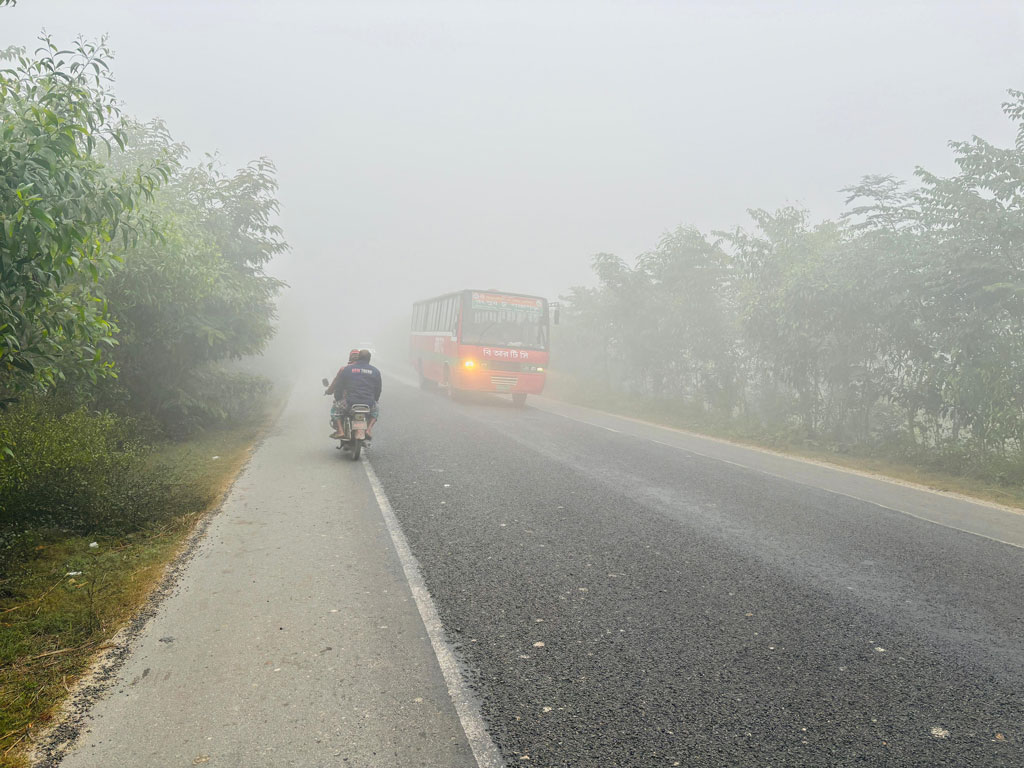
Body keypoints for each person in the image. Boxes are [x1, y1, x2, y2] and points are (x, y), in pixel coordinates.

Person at [327, 349, 382, 439]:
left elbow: (339, 386)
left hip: (350, 402)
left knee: (335, 410)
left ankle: (340, 431)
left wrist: (338, 398)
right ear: (369, 359)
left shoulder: (347, 369)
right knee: (375, 412)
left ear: (358, 357)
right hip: (369, 403)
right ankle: (368, 429)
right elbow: (378, 389)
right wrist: (374, 400)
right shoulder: (375, 371)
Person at [325, 349, 361, 438]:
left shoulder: (344, 369)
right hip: (365, 399)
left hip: (347, 399)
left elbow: (336, 382)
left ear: (350, 358)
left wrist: (329, 391)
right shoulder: (367, 369)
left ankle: (340, 431)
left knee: (335, 410)